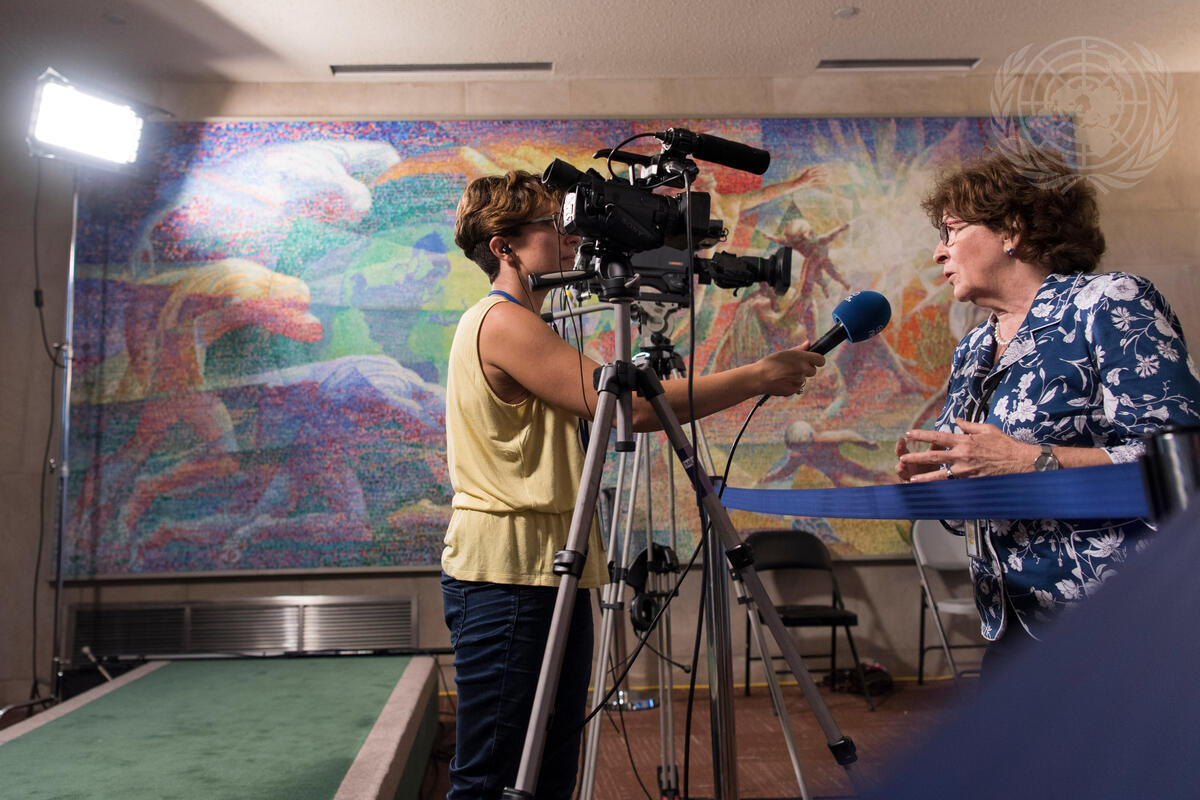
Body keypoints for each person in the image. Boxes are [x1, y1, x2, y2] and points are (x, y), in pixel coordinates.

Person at [443, 170, 825, 799]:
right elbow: (632, 410)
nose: (570, 235)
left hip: (544, 568)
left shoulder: (523, 321)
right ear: (503, 246)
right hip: (507, 574)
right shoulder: (501, 322)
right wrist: (757, 375)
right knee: (492, 777)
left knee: (547, 770)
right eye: (550, 225)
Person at [894, 146, 1200, 674]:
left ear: (1011, 229)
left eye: (951, 230)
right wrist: (938, 482)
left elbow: (1184, 462)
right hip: (1013, 620)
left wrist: (1030, 460)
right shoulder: (973, 348)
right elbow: (976, 490)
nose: (939, 252)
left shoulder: (1108, 302)